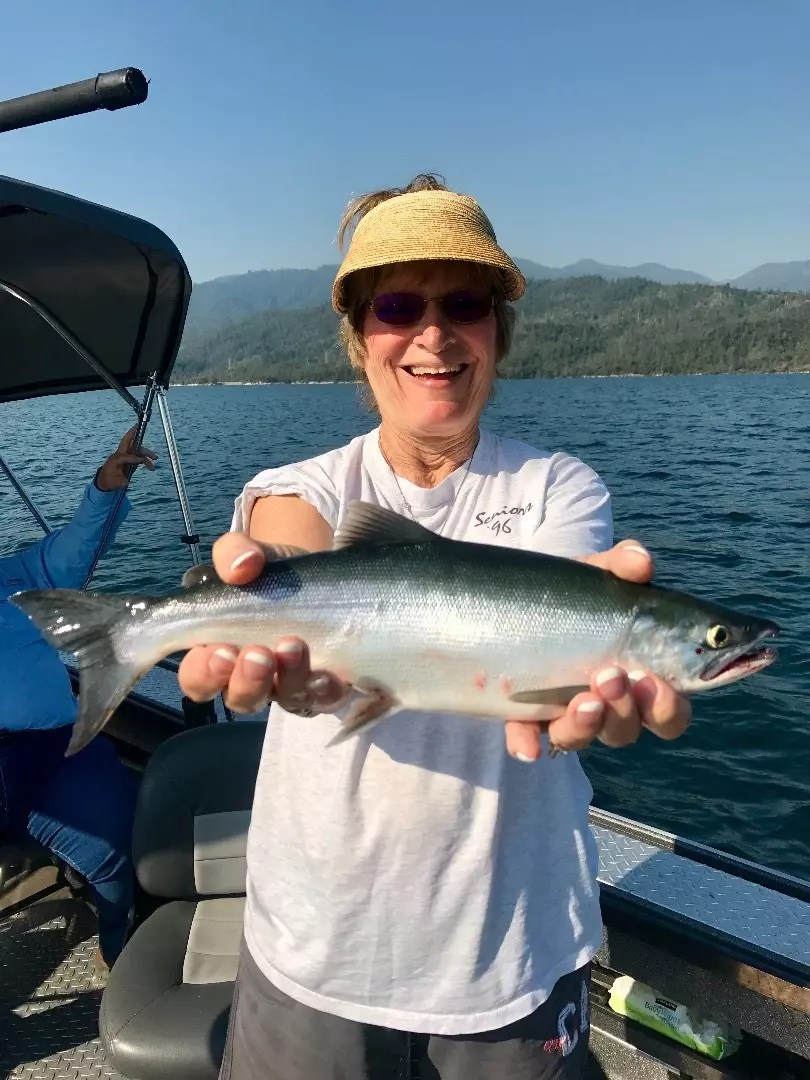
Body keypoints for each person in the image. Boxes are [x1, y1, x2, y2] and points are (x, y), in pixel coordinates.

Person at [179, 175, 692, 1080]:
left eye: (464, 303)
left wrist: (580, 690)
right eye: (397, 306)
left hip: (513, 946)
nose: (433, 333)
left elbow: (563, 618)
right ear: (358, 336)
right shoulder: (301, 486)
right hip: (314, 945)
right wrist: (266, 602)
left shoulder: (559, 488)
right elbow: (287, 541)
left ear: (498, 330)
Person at [0, 427, 156, 972]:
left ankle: (121, 954)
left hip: (57, 750)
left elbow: (74, 550)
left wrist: (105, 487)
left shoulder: (17, 575)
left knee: (118, 846)